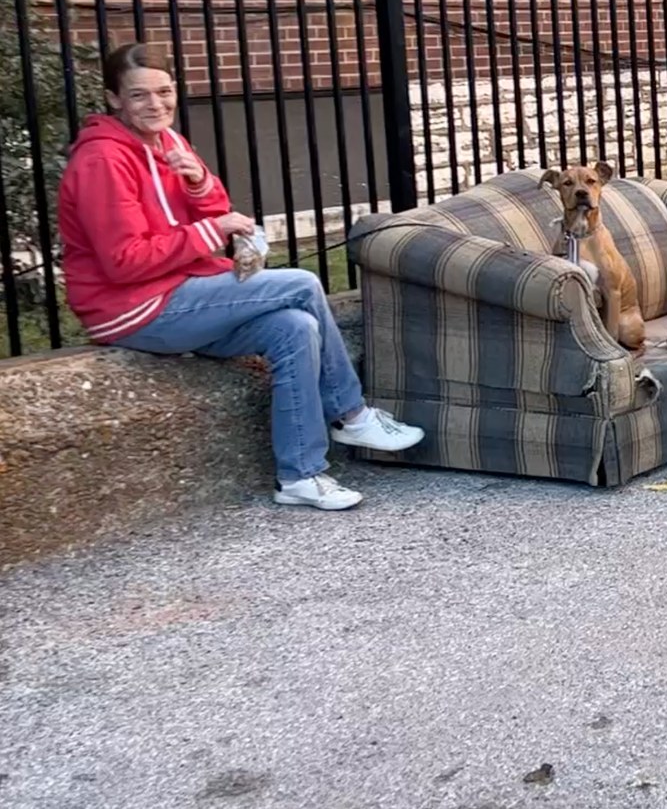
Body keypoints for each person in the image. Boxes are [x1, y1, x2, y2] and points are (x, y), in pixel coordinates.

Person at [57, 42, 422, 510]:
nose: (156, 105)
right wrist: (211, 228)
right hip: (134, 309)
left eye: (164, 92)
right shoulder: (102, 161)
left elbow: (214, 213)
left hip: (183, 294)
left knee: (296, 328)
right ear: (113, 99)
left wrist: (198, 185)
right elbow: (124, 261)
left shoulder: (169, 142)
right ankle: (352, 414)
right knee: (303, 283)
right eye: (139, 96)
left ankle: (301, 475)